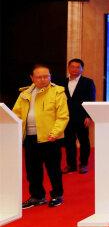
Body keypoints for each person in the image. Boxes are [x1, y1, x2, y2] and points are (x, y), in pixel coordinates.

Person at [13, 64, 69, 208]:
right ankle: (37, 196)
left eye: (46, 76)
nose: (43, 79)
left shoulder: (58, 92)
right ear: (32, 78)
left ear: (50, 76)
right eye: (39, 77)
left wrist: (55, 133)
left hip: (50, 138)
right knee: (32, 170)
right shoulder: (24, 94)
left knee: (53, 169)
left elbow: (62, 116)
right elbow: (16, 114)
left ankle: (57, 195)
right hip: (30, 138)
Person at [60, 58, 96, 175]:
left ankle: (84, 164)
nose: (75, 69)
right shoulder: (62, 82)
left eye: (78, 67)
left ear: (82, 69)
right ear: (68, 68)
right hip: (66, 117)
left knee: (84, 141)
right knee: (69, 142)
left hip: (82, 117)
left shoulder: (88, 82)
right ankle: (71, 165)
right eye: (72, 67)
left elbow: (91, 100)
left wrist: (88, 116)